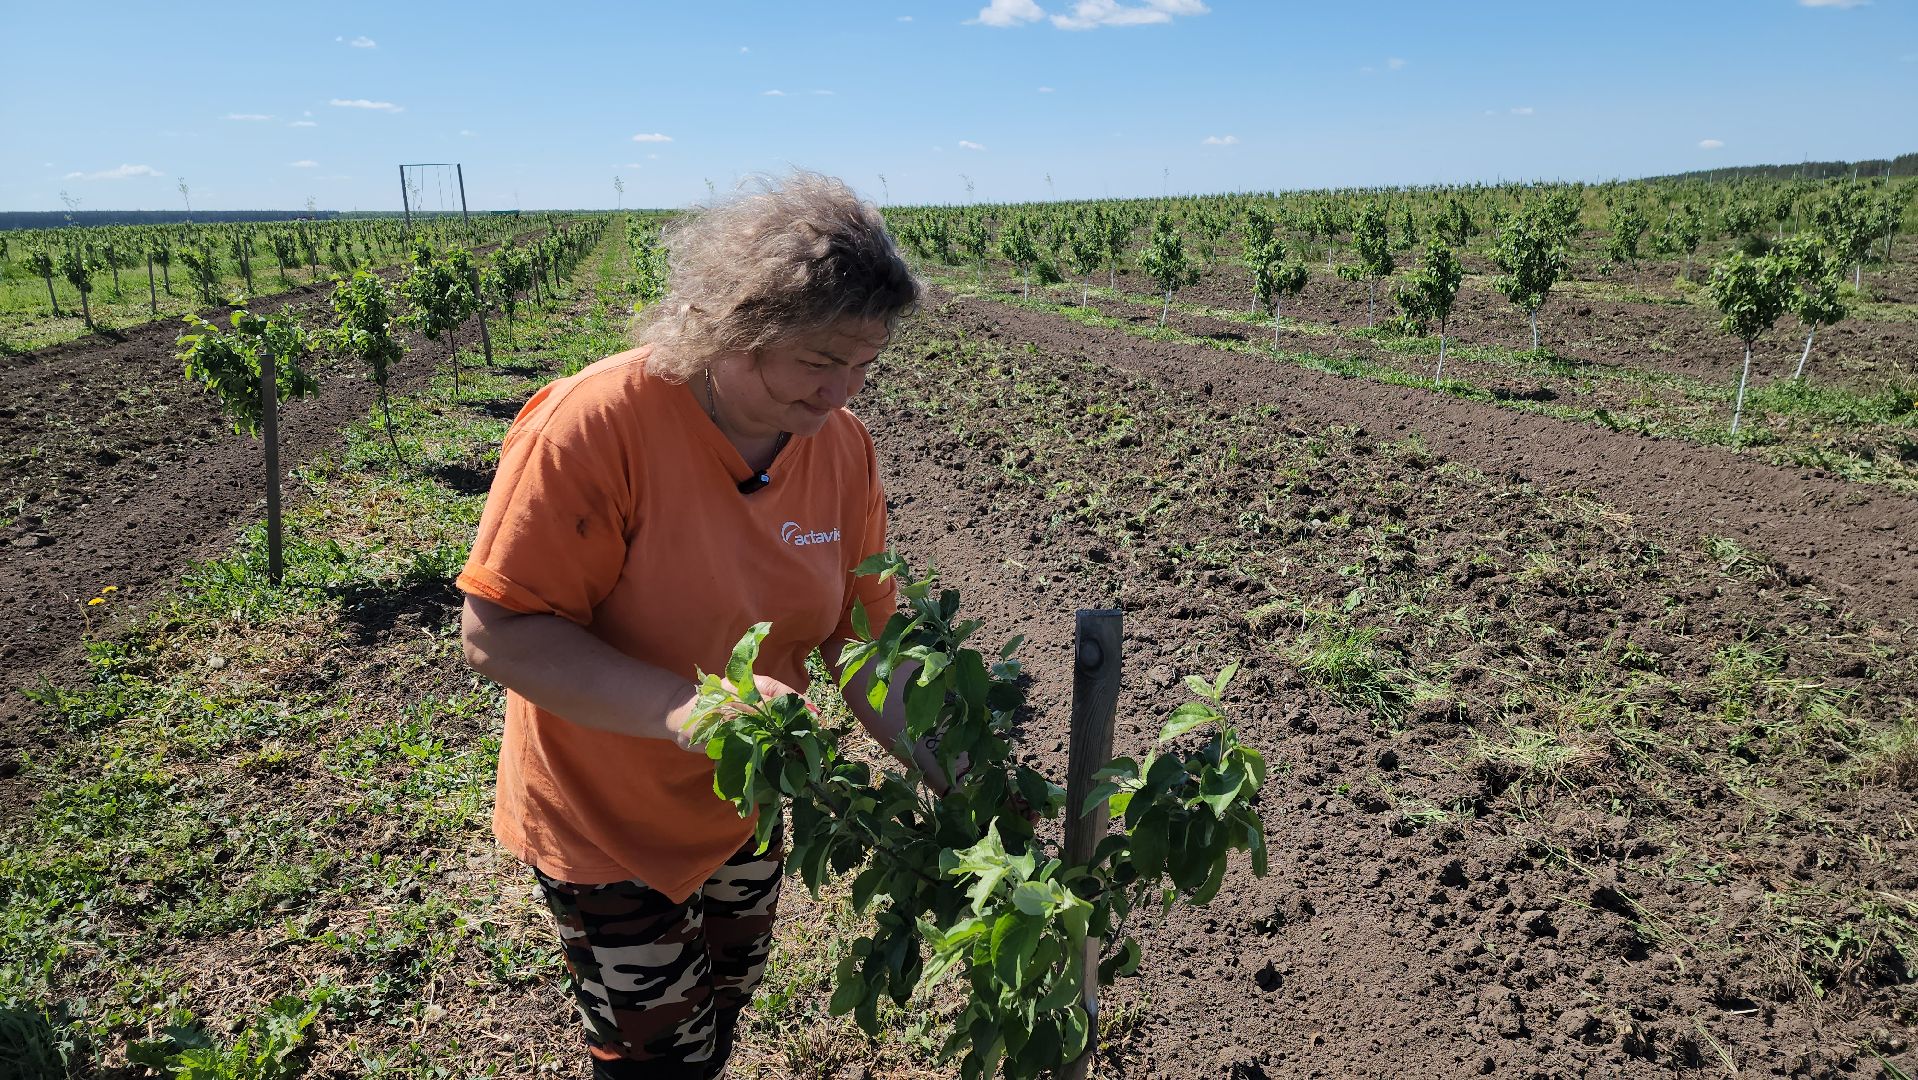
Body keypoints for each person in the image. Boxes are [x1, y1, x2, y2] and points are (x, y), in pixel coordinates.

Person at [457, 172, 942, 1079]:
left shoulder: (841, 450)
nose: (842, 392)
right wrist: (694, 711)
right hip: (605, 807)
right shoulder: (598, 424)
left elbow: (859, 636)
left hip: (744, 797)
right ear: (736, 325)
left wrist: (940, 754)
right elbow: (500, 631)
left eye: (863, 366)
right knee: (659, 1054)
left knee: (723, 1005)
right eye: (818, 362)